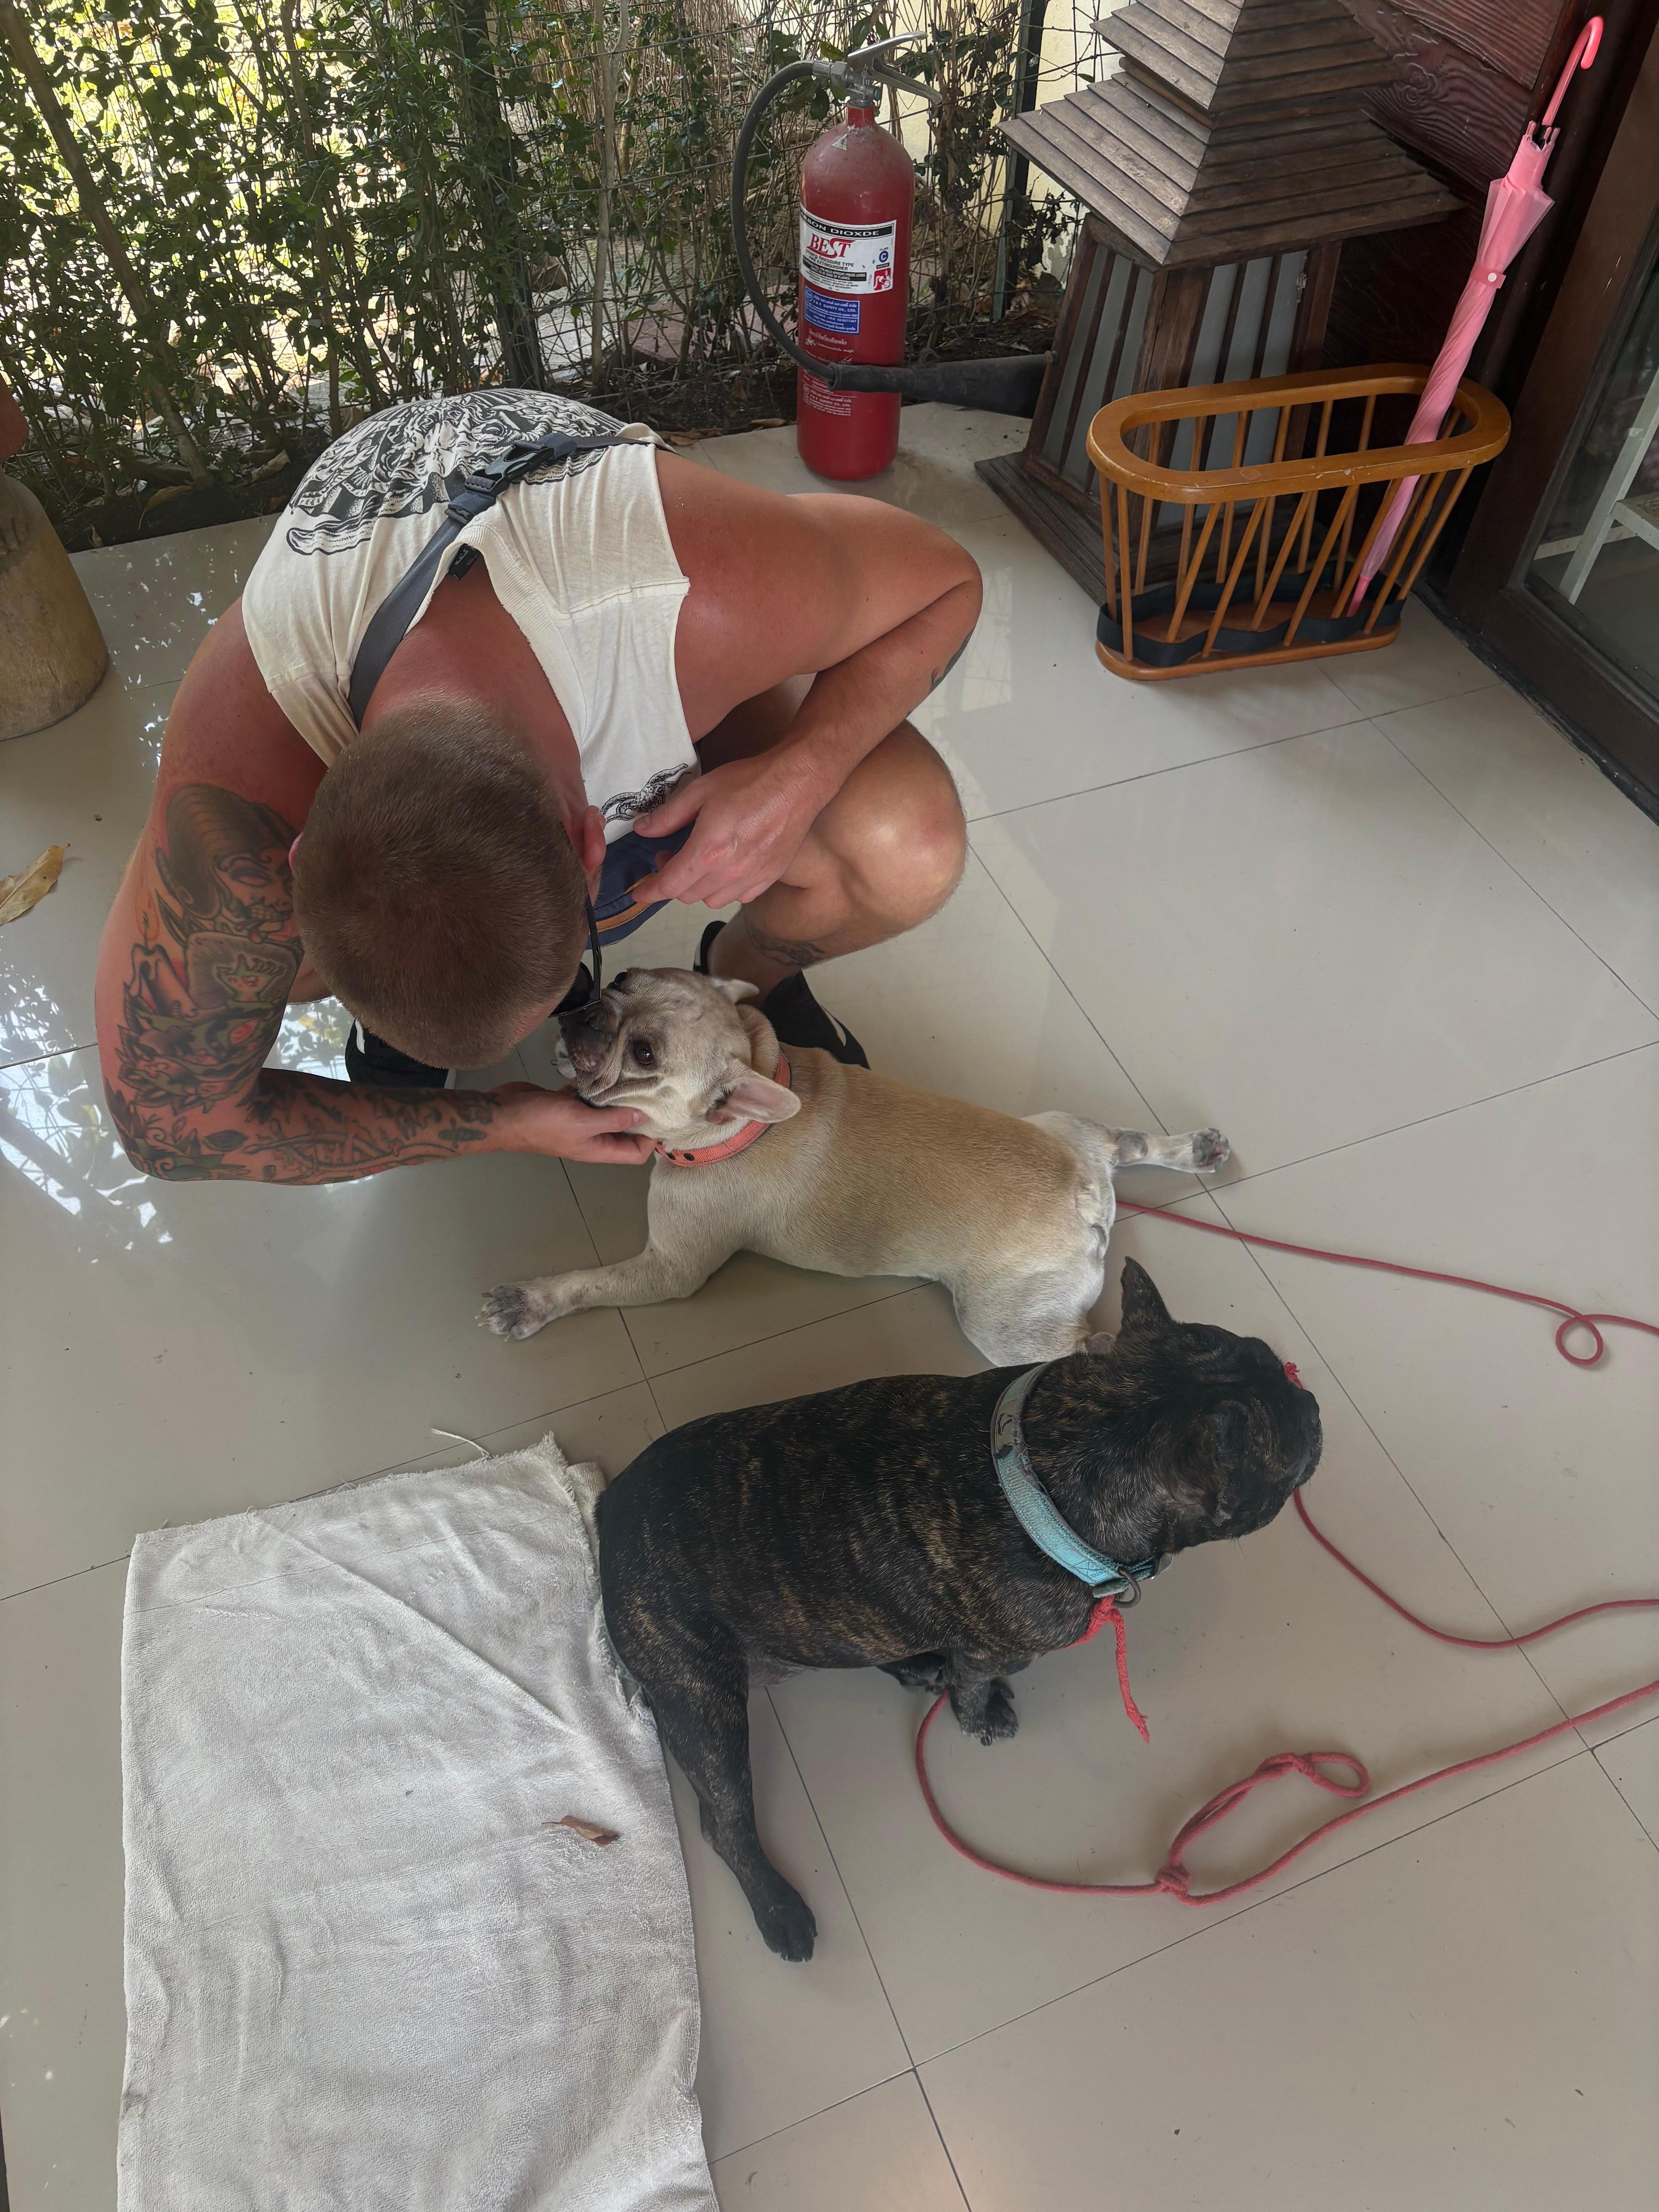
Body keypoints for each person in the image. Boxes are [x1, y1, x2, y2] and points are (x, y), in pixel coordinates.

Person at [95, 390, 980, 1186]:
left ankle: (745, 977)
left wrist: (799, 777)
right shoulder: (246, 769)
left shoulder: (699, 594)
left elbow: (947, 580)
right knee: (245, 964)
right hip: (425, 625)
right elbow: (166, 1129)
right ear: (297, 853)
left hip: (611, 607)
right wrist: (504, 1122)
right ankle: (403, 1010)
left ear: (595, 841)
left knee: (903, 843)